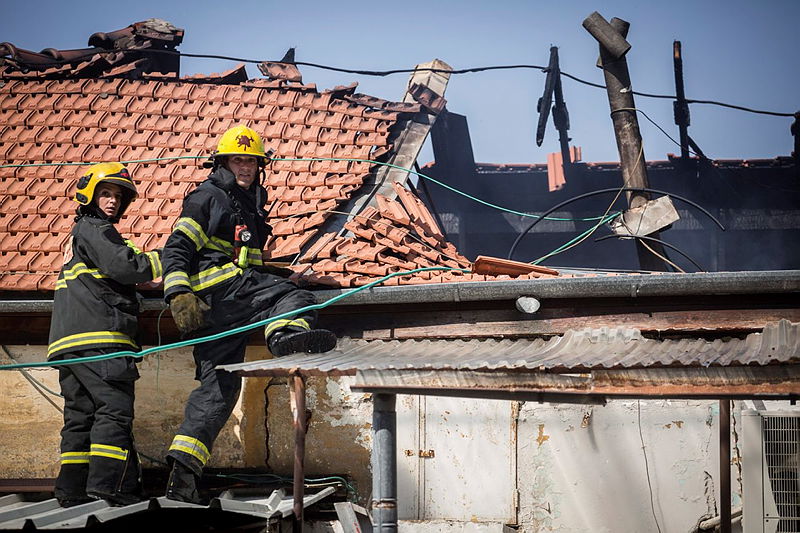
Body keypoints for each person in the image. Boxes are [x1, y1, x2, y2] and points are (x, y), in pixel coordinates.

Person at [161, 124, 337, 503]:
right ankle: (283, 337)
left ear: (260, 166)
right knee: (297, 299)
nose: (245, 167)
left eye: (251, 161)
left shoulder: (247, 207)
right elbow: (175, 247)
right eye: (238, 160)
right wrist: (178, 292)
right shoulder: (208, 198)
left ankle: (182, 477)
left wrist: (278, 274)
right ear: (223, 162)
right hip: (223, 295)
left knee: (218, 390)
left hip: (226, 309)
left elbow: (250, 264)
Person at [48, 162, 162, 507]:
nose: (112, 202)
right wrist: (166, 259)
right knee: (113, 410)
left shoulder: (77, 236)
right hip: (101, 340)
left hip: (69, 344)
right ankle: (106, 487)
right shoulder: (96, 229)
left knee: (81, 416)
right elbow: (126, 267)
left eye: (118, 196)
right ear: (90, 195)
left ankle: (72, 490)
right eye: (106, 193)